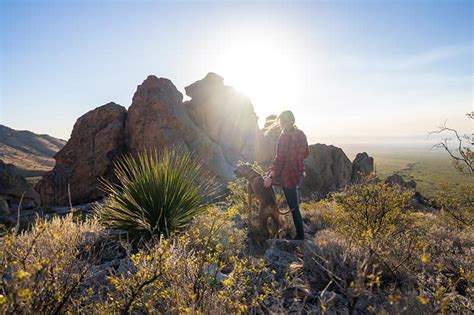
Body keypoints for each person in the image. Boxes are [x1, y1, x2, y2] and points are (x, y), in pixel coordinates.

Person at [263, 110, 309, 240]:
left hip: (287, 175)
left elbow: (279, 160)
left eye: (281, 122)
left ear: (283, 122)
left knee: (294, 207)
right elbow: (306, 153)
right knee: (294, 204)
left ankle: (300, 237)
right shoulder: (302, 134)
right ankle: (276, 218)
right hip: (297, 173)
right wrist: (296, 159)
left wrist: (270, 177)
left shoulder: (284, 137)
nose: (280, 125)